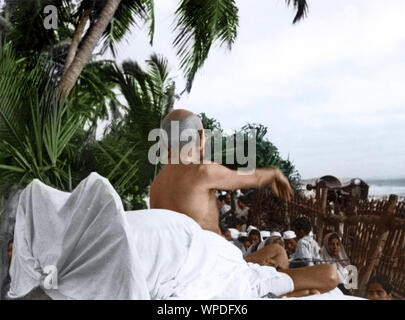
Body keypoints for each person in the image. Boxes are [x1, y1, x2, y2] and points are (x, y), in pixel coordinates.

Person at [150, 109, 338, 296]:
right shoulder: (201, 171)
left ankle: (283, 288)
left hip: (194, 270)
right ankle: (281, 289)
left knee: (276, 251)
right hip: (220, 270)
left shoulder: (156, 186)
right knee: (330, 275)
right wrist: (274, 173)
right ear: (200, 136)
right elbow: (253, 178)